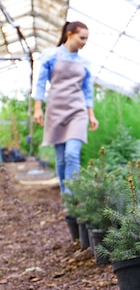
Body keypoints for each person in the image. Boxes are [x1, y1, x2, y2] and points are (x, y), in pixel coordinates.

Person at [33, 21, 99, 194]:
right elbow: (40, 84)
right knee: (61, 160)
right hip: (55, 111)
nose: (84, 42)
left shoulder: (84, 62)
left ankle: (73, 197)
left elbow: (87, 90)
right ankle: (66, 196)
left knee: (72, 154)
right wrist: (38, 108)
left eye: (87, 39)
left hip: (77, 111)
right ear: (70, 34)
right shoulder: (51, 56)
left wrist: (91, 114)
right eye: (82, 38)